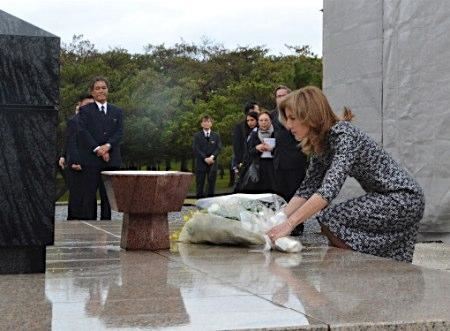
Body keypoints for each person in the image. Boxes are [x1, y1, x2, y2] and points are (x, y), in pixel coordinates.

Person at [267, 86, 425, 262]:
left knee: (330, 218)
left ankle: (355, 270)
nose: (288, 125)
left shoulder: (344, 134)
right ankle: (359, 271)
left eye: (292, 118)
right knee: (332, 222)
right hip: (389, 197)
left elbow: (328, 190)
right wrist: (279, 218)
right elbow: (308, 188)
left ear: (309, 115)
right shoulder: (322, 144)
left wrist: (290, 224)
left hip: (404, 198)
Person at [77, 76, 124, 220]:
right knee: (90, 195)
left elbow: (119, 132)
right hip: (91, 160)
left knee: (107, 197)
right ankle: (89, 226)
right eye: (97, 88)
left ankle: (106, 226)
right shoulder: (85, 110)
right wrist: (98, 149)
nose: (101, 91)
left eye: (103, 88)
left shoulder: (117, 111)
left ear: (108, 90)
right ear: (92, 92)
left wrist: (107, 147)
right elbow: (83, 132)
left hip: (111, 160)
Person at [271, 85, 308, 236]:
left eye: (283, 95)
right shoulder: (272, 116)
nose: (280, 98)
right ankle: (283, 223)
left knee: (296, 192)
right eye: (278, 96)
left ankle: (297, 225)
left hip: (295, 160)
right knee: (281, 194)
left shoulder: (297, 113)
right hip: (279, 161)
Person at [59, 94, 94, 220]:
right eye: (87, 104)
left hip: (91, 163)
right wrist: (74, 161)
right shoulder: (74, 121)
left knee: (89, 195)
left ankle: (89, 221)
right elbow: (71, 141)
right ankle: (74, 221)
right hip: (77, 163)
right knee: (76, 194)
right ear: (80, 105)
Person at [244, 111, 277, 193]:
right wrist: (257, 148)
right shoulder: (254, 134)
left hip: (274, 168)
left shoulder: (276, 133)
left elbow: (283, 150)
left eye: (266, 120)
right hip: (259, 167)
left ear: (271, 121)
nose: (263, 123)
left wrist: (272, 149)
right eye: (261, 120)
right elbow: (249, 152)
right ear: (258, 122)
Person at [192, 115, 222, 199]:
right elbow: (196, 148)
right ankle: (199, 205)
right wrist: (205, 158)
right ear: (201, 124)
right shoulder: (197, 136)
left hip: (213, 163)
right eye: (204, 121)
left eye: (208, 121)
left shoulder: (216, 135)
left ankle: (210, 205)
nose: (206, 123)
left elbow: (218, 148)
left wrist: (212, 157)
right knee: (200, 185)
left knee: (211, 185)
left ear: (211, 124)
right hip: (200, 163)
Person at [232, 102, 260, 178]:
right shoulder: (239, 127)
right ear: (251, 111)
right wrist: (239, 163)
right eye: (257, 109)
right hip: (243, 163)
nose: (259, 112)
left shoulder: (261, 126)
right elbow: (237, 146)